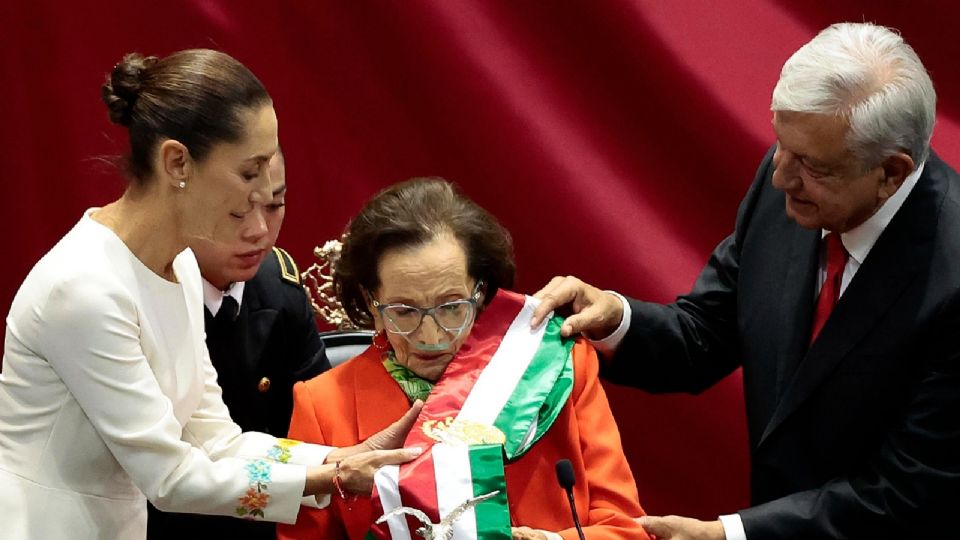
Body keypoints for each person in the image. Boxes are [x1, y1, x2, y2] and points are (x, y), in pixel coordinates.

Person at [531, 22, 960, 540]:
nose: (780, 175)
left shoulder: (952, 277)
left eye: (809, 164)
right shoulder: (792, 187)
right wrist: (612, 320)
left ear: (891, 172)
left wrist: (731, 535)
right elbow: (704, 334)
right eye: (780, 145)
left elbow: (910, 491)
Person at [0, 49, 421, 539]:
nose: (266, 189)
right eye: (250, 171)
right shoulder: (83, 288)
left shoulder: (178, 261)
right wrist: (332, 478)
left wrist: (338, 457)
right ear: (177, 161)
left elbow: (214, 439)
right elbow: (171, 477)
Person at [277, 178, 648, 540]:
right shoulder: (322, 405)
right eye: (404, 311)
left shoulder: (557, 366)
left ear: (482, 293)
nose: (431, 335)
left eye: (452, 306)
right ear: (372, 303)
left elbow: (627, 527)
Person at [146, 150, 331, 538]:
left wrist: (341, 464)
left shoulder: (278, 289)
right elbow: (162, 477)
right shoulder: (141, 296)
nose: (259, 231)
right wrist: (335, 472)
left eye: (275, 205)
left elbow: (313, 425)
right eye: (236, 213)